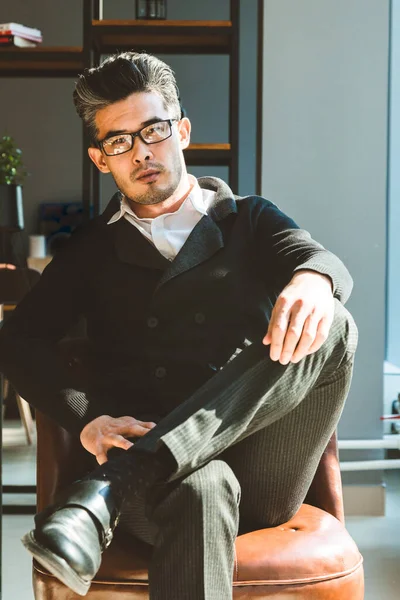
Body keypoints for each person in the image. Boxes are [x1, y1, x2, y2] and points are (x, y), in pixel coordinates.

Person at [0, 52, 358, 600]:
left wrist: (314, 276)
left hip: (259, 462)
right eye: (120, 141)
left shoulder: (250, 219)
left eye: (154, 130)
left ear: (182, 131)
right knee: (201, 486)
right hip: (162, 484)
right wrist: (89, 417)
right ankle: (146, 466)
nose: (143, 151)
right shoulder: (89, 252)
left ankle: (116, 483)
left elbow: (317, 259)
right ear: (101, 159)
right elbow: (19, 343)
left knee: (332, 318)